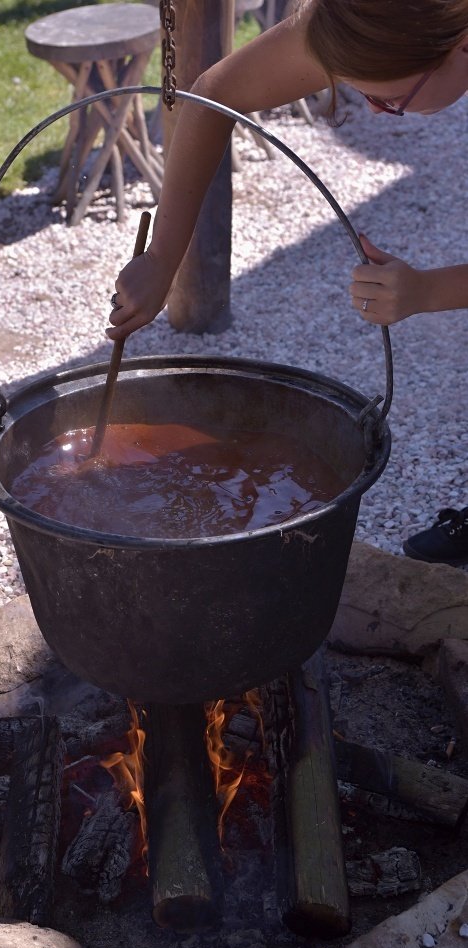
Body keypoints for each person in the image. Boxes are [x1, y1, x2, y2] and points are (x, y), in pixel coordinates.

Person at [106, 0, 468, 567]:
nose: (374, 114)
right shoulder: (353, 19)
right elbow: (214, 95)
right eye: (357, 91)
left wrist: (429, 291)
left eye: (389, 102)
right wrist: (161, 256)